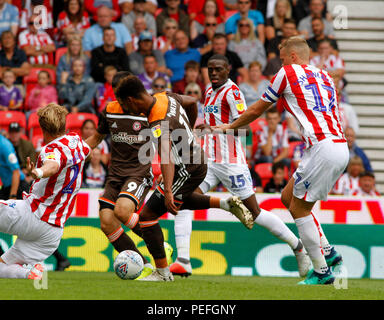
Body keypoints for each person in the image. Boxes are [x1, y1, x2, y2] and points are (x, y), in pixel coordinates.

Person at [215, 36, 348, 285]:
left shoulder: (287, 72)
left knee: (299, 209)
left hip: (322, 146)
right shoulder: (325, 76)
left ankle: (321, 272)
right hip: (338, 146)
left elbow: (257, 110)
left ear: (293, 57)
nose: (281, 62)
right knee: (287, 197)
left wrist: (230, 126)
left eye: (283, 57)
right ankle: (328, 252)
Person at [170, 54, 309, 277]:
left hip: (231, 163)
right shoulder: (208, 91)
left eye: (218, 70)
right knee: (184, 200)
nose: (213, 73)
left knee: (255, 212)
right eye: (210, 69)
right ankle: (183, 260)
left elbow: (245, 128)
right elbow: (215, 123)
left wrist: (221, 128)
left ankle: (298, 247)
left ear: (228, 70)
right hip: (209, 161)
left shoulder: (233, 92)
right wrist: (207, 128)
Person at [113, 74, 255, 281]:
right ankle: (225, 203)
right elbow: (191, 101)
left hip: (187, 168)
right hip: (197, 159)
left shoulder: (157, 119)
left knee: (147, 216)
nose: (128, 110)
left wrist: (169, 189)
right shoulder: (165, 97)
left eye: (125, 105)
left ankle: (162, 273)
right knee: (180, 201)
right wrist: (187, 130)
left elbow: (167, 156)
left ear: (131, 100)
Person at [85, 71, 167, 279]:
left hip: (139, 172)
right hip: (115, 174)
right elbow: (96, 137)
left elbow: (165, 140)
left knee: (122, 211)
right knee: (106, 221)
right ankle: (144, 264)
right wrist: (73, 153)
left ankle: (160, 245)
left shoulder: (147, 109)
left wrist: (166, 171)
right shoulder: (110, 110)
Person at [0, 103, 90, 279]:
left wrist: (39, 172)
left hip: (32, 215)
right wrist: (102, 131)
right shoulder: (77, 142)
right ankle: (30, 273)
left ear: (41, 127)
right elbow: (91, 144)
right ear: (64, 123)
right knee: (3, 267)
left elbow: (53, 165)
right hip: (51, 233)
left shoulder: (51, 149)